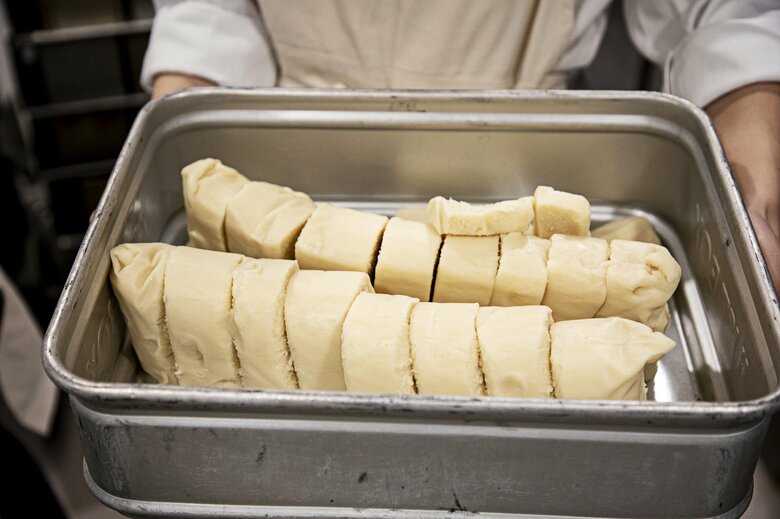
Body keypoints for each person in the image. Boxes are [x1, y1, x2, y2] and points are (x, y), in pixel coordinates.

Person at [142, 0, 780, 285]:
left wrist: (752, 185)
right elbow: (210, 12)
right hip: (289, 179)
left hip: (528, 163)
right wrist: (169, 156)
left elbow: (723, 12)